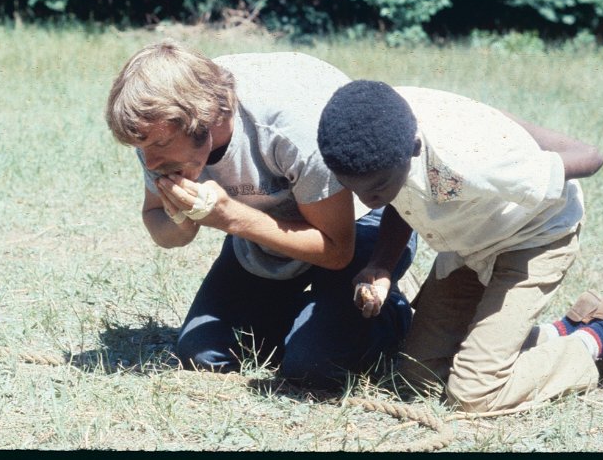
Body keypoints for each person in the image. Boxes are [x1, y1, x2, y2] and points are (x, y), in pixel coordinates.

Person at [316, 80, 603, 413]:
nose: (367, 200)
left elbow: (591, 158)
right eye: (355, 189)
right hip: (469, 243)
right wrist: (382, 264)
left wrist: (499, 129)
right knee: (419, 378)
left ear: (415, 148)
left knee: (473, 395)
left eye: (377, 188)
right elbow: (402, 196)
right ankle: (561, 331)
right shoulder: (380, 127)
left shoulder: (472, 162)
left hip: (533, 238)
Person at [105, 41, 417, 387]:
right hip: (264, 228)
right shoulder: (156, 126)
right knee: (203, 353)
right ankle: (317, 315)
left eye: (159, 146)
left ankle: (390, 314)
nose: (149, 163)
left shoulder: (291, 125)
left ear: (205, 119)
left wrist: (230, 218)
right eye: (141, 148)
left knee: (313, 367)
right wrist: (182, 217)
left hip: (356, 222)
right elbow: (158, 223)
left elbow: (336, 250)